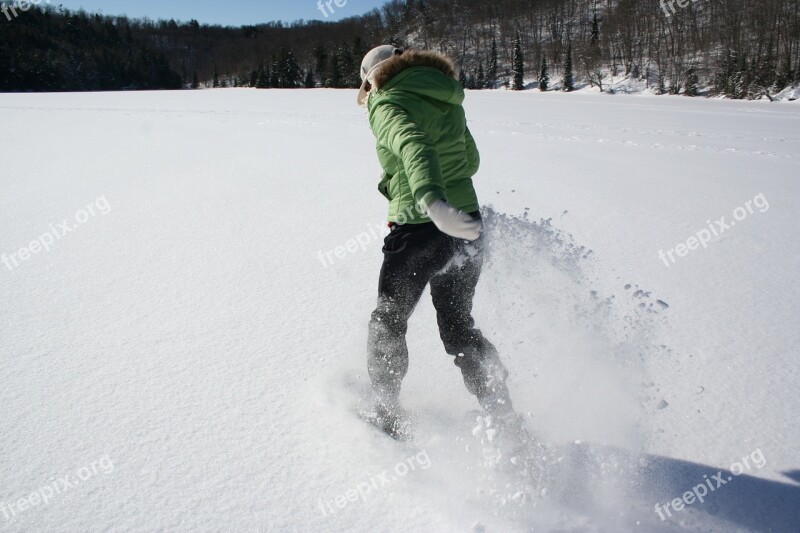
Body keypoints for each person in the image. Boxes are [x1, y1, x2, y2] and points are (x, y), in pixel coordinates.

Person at [358, 45, 515, 438]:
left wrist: (431, 199)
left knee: (387, 322)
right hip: (468, 226)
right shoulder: (445, 94)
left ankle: (387, 414)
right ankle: (503, 416)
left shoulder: (385, 99)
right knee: (460, 327)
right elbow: (471, 160)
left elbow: (414, 143)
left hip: (423, 225)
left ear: (373, 78)